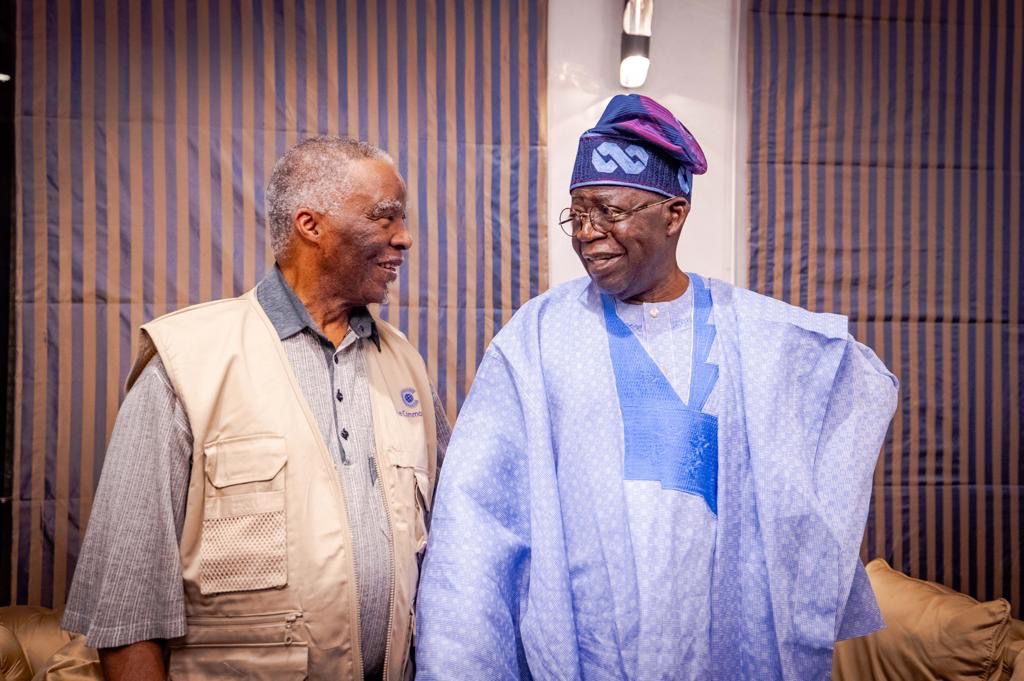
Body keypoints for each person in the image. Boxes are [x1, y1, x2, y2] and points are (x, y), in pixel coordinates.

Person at [414, 95, 898, 680]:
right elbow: (476, 518)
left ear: (673, 214)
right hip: (586, 650)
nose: (588, 235)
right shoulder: (538, 338)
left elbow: (857, 387)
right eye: (577, 215)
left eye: (608, 212)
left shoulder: (753, 335)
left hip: (723, 644)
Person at [63, 136, 449, 681]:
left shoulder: (405, 363)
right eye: (384, 217)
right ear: (311, 225)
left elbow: (453, 545)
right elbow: (127, 609)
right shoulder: (188, 361)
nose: (404, 237)